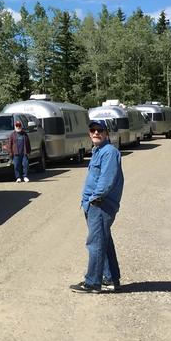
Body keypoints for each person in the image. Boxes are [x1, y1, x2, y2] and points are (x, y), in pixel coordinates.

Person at [70, 119, 124, 294]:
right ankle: (110, 279)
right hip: (95, 204)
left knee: (95, 244)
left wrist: (93, 199)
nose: (96, 133)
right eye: (93, 130)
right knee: (104, 242)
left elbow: (106, 181)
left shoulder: (109, 152)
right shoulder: (98, 151)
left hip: (101, 204)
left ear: (106, 133)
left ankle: (93, 282)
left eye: (100, 130)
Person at [7, 118, 30, 183]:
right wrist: (10, 152)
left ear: (21, 126)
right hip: (16, 153)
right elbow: (9, 144)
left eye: (19, 125)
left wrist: (28, 151)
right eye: (17, 125)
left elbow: (28, 143)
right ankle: (18, 177)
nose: (18, 127)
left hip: (24, 153)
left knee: (25, 164)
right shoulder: (12, 135)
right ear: (15, 126)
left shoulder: (24, 134)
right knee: (17, 165)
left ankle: (25, 176)